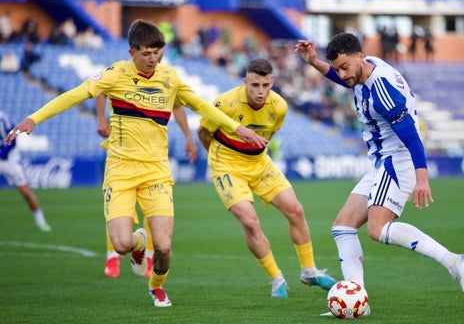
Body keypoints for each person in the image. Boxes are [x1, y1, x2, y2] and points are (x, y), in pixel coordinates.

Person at [4, 19, 267, 308]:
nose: (153, 58)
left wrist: (238, 128)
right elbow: (74, 95)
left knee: (165, 247)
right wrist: (33, 119)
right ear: (132, 53)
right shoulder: (115, 74)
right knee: (121, 245)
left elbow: (200, 106)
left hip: (156, 171)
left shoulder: (170, 78)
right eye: (146, 53)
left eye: (158, 52)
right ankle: (140, 243)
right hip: (120, 171)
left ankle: (156, 287)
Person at [294, 33, 464, 314]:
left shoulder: (381, 90)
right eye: (338, 68)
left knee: (377, 229)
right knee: (343, 226)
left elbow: (411, 136)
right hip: (382, 161)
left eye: (345, 66)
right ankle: (356, 300)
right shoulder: (363, 68)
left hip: (397, 160)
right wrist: (314, 62)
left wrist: (422, 179)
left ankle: (454, 262)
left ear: (359, 57)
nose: (342, 74)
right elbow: (344, 77)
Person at [197, 58, 337, 299]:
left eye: (265, 85)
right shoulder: (225, 103)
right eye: (254, 85)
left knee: (295, 210)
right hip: (227, 168)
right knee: (250, 222)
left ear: (272, 82)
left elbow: (268, 135)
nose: (260, 91)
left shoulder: (279, 107)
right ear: (245, 82)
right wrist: (218, 159)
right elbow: (203, 131)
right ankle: (277, 279)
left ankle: (309, 271)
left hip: (259, 163)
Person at [95, 93, 198, 278]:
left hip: (153, 157)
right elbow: (100, 91)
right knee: (117, 211)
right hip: (123, 152)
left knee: (154, 211)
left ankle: (148, 253)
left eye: (158, 60)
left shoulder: (166, 79)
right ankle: (112, 255)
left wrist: (188, 136)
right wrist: (101, 117)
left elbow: (177, 105)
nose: (154, 61)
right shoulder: (120, 73)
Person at [0, 110, 51, 232]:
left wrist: (2, 153)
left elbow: (13, 139)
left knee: (26, 193)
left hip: (9, 161)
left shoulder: (2, 118)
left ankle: (41, 221)